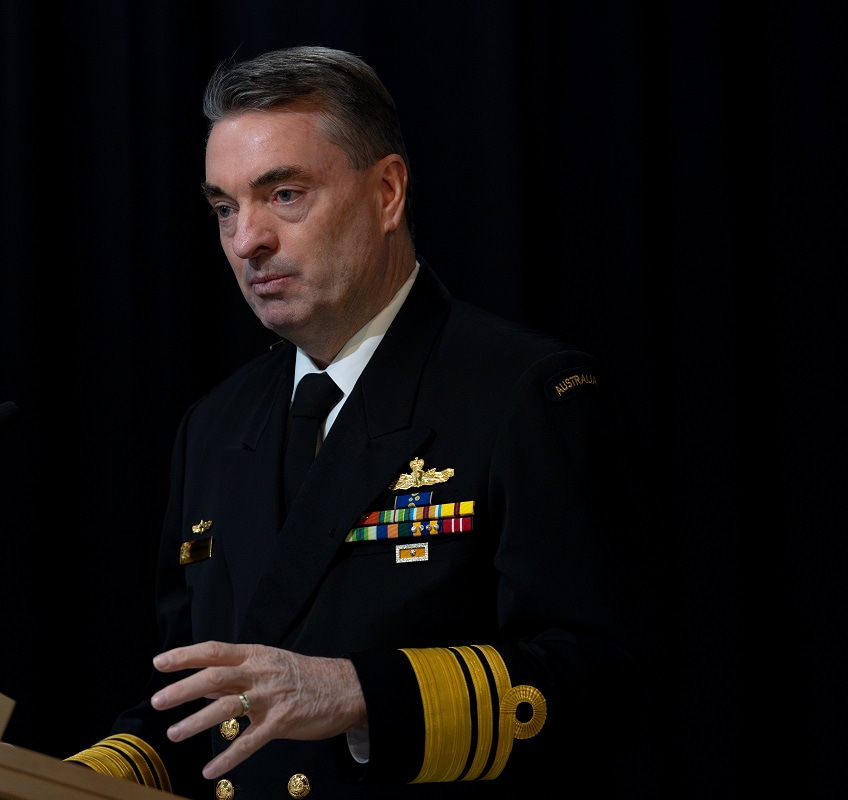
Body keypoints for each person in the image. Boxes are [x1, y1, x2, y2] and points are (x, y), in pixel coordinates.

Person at [65, 45, 649, 799]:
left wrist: (363, 694)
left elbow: (608, 679)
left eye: (283, 194)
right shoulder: (213, 426)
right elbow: (203, 705)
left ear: (387, 193)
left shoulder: (525, 394)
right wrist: (66, 781)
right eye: (224, 208)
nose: (246, 241)